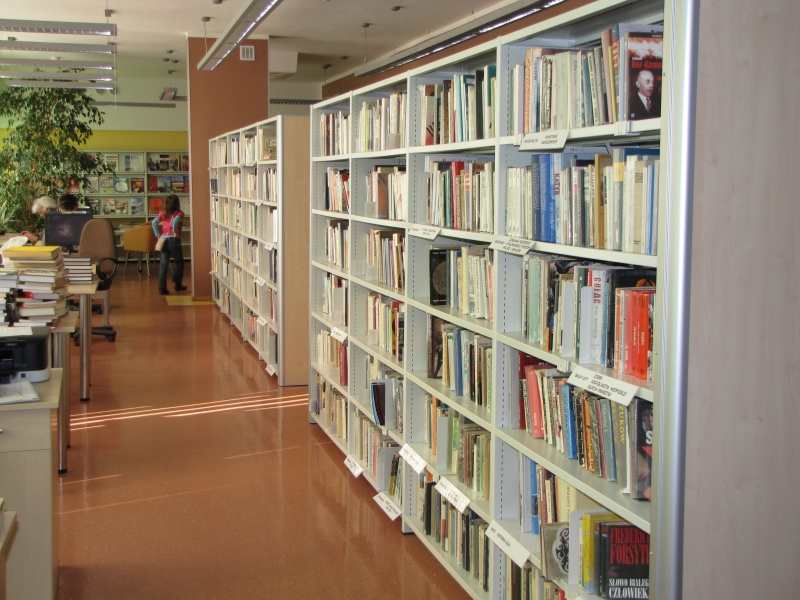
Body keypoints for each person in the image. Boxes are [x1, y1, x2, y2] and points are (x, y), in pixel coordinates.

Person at [152, 194, 187, 295]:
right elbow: (175, 220)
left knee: (163, 264)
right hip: (173, 239)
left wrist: (158, 235)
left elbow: (154, 223)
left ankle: (162, 288)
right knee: (179, 262)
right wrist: (175, 231)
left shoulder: (163, 213)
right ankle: (177, 284)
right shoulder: (180, 213)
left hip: (164, 239)